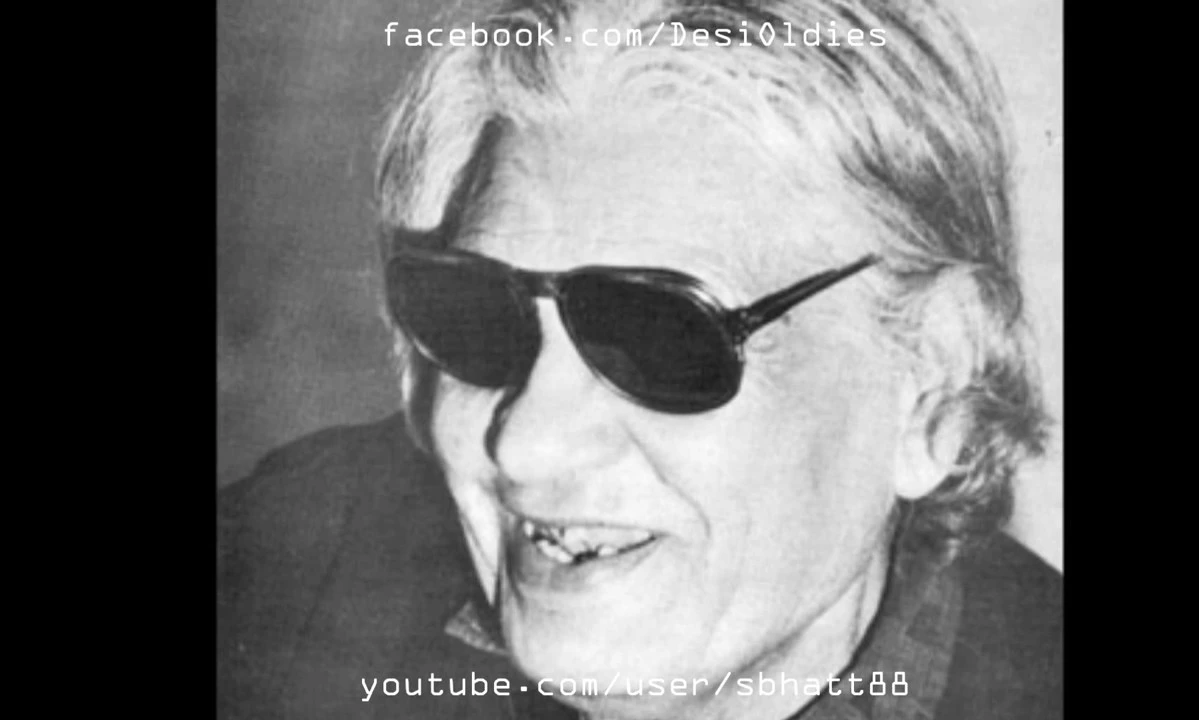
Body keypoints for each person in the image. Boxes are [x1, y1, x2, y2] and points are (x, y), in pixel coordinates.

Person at [216, 0, 1062, 718]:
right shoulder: (276, 580)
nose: (528, 445)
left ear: (932, 380)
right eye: (480, 317)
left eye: (663, 335)